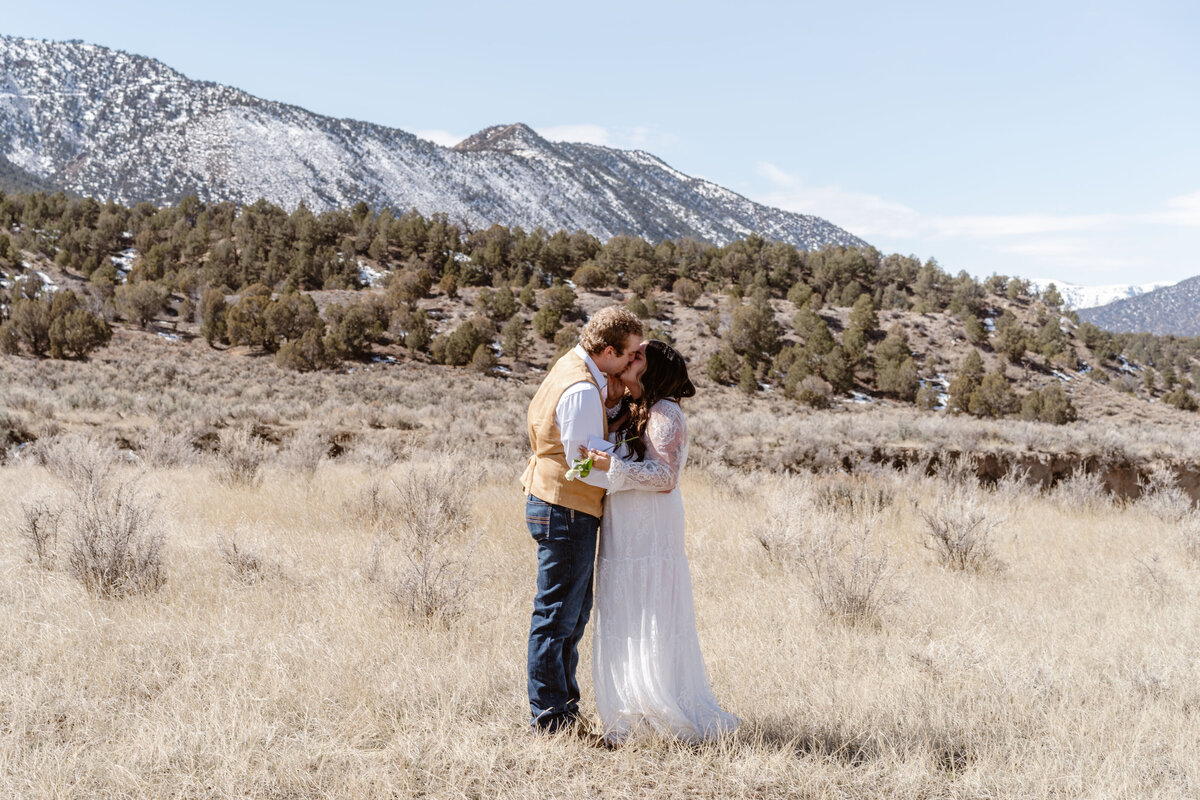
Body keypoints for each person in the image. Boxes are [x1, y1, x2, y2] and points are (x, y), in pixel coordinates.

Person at [582, 340, 740, 744]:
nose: (628, 359)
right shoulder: (638, 411)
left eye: (637, 358)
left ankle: (660, 712)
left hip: (651, 529)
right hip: (626, 524)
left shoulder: (665, 412)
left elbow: (665, 477)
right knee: (624, 610)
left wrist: (610, 465)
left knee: (649, 613)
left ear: (652, 372)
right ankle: (630, 717)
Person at [521, 306, 644, 735]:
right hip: (565, 506)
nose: (632, 362)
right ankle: (551, 720)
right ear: (609, 351)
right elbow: (584, 463)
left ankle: (561, 710)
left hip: (559, 503)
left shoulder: (574, 370)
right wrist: (633, 473)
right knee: (558, 615)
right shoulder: (580, 389)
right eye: (629, 355)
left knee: (570, 614)